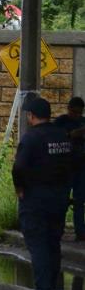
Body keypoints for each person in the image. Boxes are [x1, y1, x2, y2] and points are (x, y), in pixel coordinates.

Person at [12, 97, 72, 290]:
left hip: (36, 199)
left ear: (31, 116)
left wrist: (19, 189)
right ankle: (51, 289)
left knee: (38, 245)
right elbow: (71, 165)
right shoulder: (62, 136)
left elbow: (18, 168)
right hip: (59, 198)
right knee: (53, 244)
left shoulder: (32, 138)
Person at [53, 96, 85, 242]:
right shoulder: (61, 122)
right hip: (65, 167)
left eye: (80, 113)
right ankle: (58, 229)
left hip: (81, 166)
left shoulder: (83, 122)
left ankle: (80, 232)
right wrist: (70, 135)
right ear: (69, 109)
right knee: (61, 200)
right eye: (74, 112)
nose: (77, 115)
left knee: (79, 201)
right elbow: (54, 140)